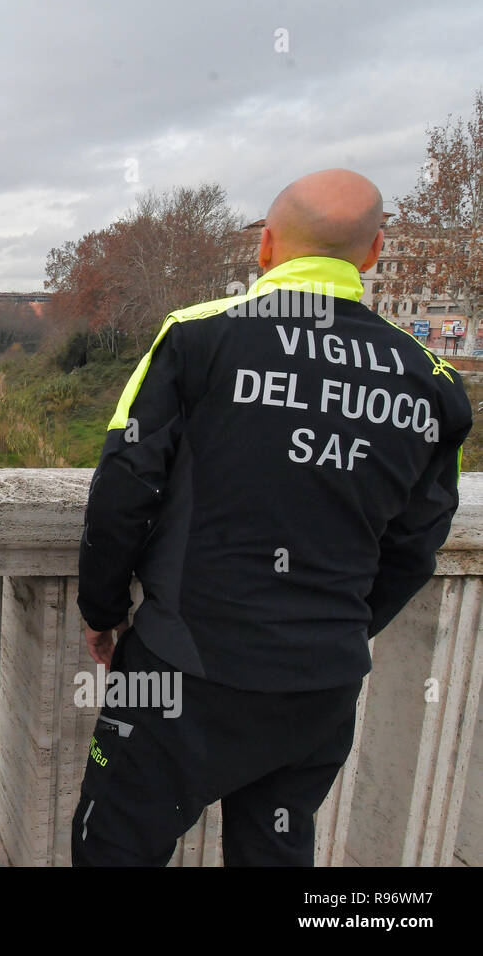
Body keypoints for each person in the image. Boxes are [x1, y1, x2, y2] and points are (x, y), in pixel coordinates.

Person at [72, 169, 473, 866]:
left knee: (115, 846)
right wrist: (337, 623)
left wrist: (102, 609)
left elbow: (125, 488)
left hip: (183, 667)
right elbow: (415, 545)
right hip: (320, 681)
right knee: (274, 852)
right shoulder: (429, 381)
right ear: (374, 252)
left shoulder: (198, 338)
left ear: (265, 246)